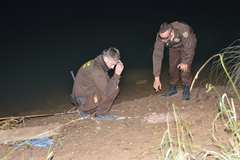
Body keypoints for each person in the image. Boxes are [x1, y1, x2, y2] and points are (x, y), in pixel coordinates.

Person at [71, 47, 124, 120]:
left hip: (80, 97)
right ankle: (101, 115)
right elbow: (107, 92)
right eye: (112, 64)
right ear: (106, 58)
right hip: (83, 100)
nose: (112, 67)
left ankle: (87, 110)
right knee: (114, 89)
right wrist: (117, 75)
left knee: (111, 85)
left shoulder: (96, 63)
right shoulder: (96, 70)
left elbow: (107, 82)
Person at [152, 21, 197, 100]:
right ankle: (173, 88)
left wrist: (186, 62)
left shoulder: (183, 30)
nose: (163, 41)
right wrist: (156, 78)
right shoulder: (160, 36)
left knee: (185, 67)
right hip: (174, 47)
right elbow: (157, 55)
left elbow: (190, 48)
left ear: (171, 33)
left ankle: (186, 88)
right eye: (161, 38)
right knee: (172, 67)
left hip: (187, 44)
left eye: (165, 38)